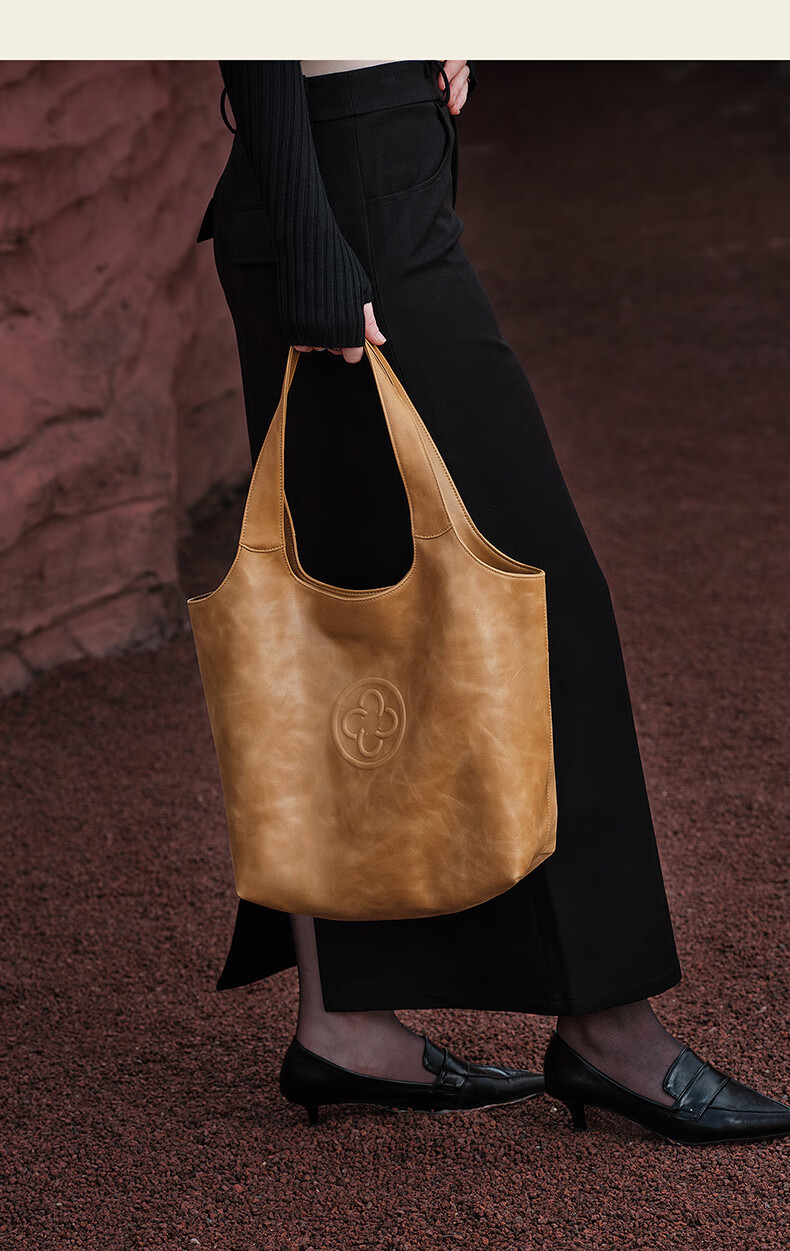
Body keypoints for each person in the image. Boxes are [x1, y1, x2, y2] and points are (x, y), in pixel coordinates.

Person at [195, 59, 790, 1143]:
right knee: (538, 603)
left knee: (340, 613)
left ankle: (341, 1023)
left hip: (370, 169)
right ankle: (609, 1027)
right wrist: (313, 237)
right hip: (335, 190)